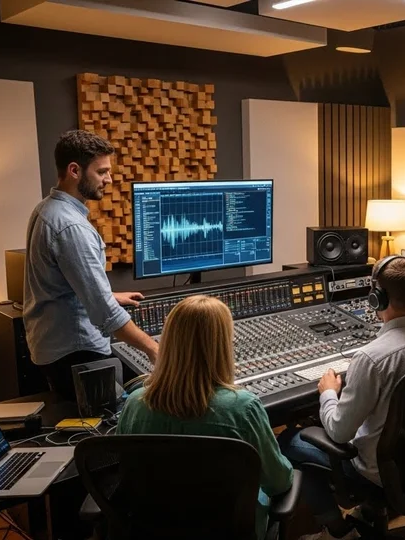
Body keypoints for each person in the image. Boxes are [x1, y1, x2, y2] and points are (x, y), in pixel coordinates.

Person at [279, 255, 405, 540]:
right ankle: (370, 513)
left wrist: (328, 395)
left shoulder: (371, 358)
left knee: (289, 440)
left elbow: (338, 430)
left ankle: (337, 531)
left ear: (376, 298)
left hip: (375, 472)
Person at [117, 295, 293, 540]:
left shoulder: (135, 404)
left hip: (153, 530)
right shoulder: (243, 408)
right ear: (223, 345)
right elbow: (279, 482)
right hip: (231, 530)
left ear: (168, 342)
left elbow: (124, 476)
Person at [24, 129, 158, 400]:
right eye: (102, 172)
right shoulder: (71, 226)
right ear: (75, 170)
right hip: (76, 351)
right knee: (108, 427)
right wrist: (153, 348)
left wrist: (107, 293)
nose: (109, 179)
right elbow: (105, 314)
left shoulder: (45, 209)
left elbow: (61, 281)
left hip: (53, 346)